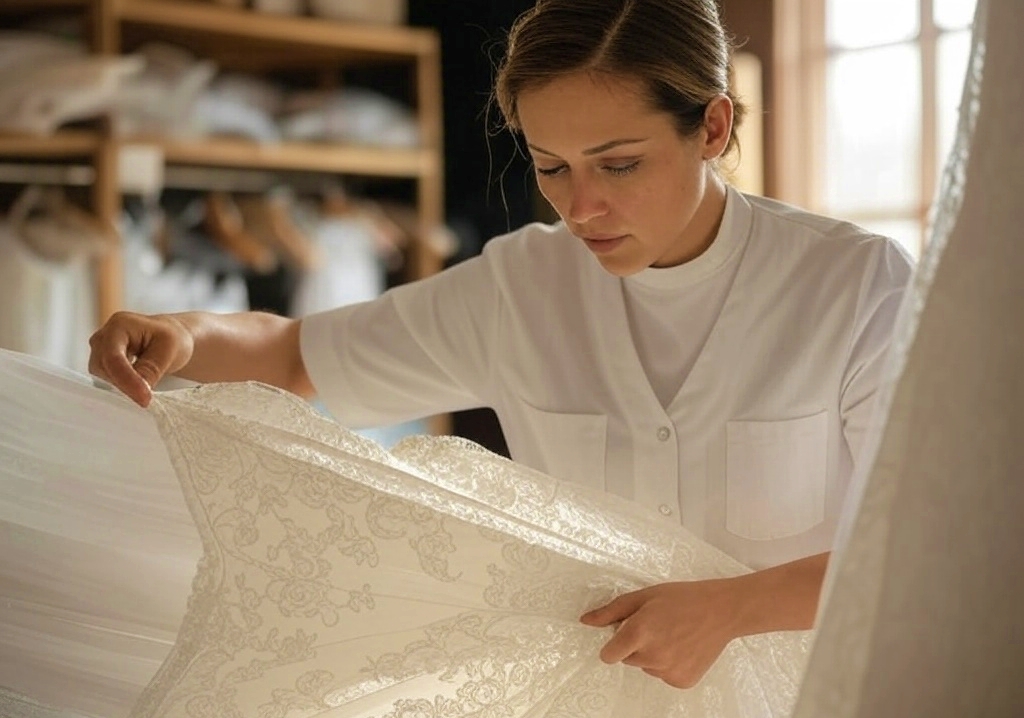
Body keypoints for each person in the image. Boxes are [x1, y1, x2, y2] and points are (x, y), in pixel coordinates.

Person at [88, 0, 912, 692]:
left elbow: (924, 547)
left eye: (618, 164)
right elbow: (299, 355)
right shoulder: (521, 285)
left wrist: (733, 607)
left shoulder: (856, 286)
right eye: (550, 167)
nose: (579, 206)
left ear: (713, 126)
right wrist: (184, 334)